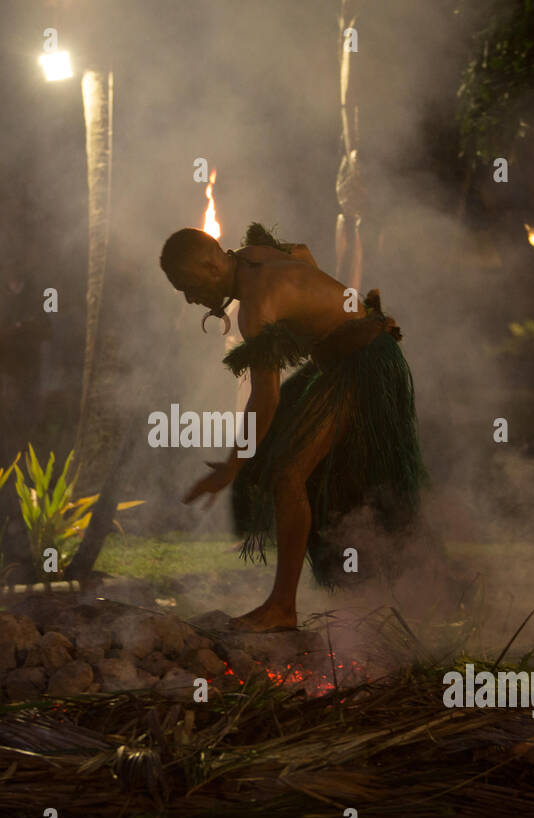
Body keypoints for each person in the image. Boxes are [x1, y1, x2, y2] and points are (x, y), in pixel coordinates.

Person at [160, 222, 425, 631]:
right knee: (298, 467)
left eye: (188, 286)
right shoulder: (254, 253)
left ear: (212, 268)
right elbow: (300, 253)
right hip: (358, 354)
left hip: (365, 366)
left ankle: (283, 608)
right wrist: (318, 320)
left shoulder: (256, 305)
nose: (189, 298)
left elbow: (266, 400)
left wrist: (233, 467)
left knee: (287, 474)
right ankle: (380, 586)